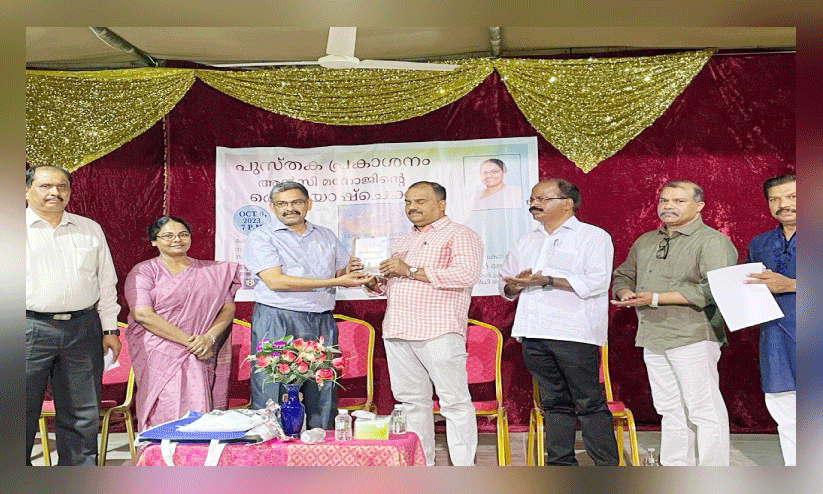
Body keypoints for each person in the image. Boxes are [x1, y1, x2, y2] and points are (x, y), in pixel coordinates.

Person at [612, 180, 738, 466]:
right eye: (664, 200)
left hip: (692, 335)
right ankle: (676, 467)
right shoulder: (646, 240)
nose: (668, 206)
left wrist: (655, 298)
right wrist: (625, 292)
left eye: (679, 201)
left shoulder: (712, 241)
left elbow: (714, 289)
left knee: (703, 409)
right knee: (669, 408)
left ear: (699, 206)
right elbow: (623, 274)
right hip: (652, 335)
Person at [499, 179, 619, 466]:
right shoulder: (526, 241)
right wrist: (516, 285)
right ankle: (560, 466)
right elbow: (505, 285)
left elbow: (597, 280)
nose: (534, 204)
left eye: (542, 198)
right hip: (533, 333)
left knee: (588, 402)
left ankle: (607, 468)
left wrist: (548, 280)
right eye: (531, 199)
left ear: (567, 203)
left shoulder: (593, 236)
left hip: (574, 332)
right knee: (553, 404)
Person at [364, 181, 483, 466]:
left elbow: (466, 274)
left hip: (438, 329)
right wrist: (373, 282)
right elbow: (392, 282)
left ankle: (464, 469)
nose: (412, 207)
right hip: (398, 329)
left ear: (441, 204)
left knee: (454, 402)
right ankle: (422, 466)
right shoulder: (404, 240)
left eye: (420, 201)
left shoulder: (460, 234)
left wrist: (410, 270)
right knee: (411, 403)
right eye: (408, 202)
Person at [243, 181, 372, 429]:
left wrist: (362, 271)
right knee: (272, 387)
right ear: (272, 207)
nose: (289, 208)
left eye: (296, 202)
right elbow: (276, 281)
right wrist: (336, 281)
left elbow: (342, 271)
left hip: (321, 318)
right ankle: (271, 446)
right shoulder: (261, 236)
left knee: (323, 388)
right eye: (282, 203)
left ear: (308, 204)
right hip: (277, 318)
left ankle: (322, 442)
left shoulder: (325, 235)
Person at [26, 165, 121, 465]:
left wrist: (110, 330)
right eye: (45, 186)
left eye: (62, 186)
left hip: (83, 329)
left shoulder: (89, 228)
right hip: (27, 328)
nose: (55, 192)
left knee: (82, 413)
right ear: (27, 190)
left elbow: (106, 282)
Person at [124, 216, 242, 431]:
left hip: (201, 349)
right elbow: (142, 314)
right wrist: (191, 342)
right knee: (165, 408)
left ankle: (196, 452)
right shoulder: (144, 271)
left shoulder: (211, 272)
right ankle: (161, 451)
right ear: (154, 241)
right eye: (168, 236)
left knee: (199, 410)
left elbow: (227, 309)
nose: (177, 239)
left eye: (183, 234)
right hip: (160, 350)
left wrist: (208, 338)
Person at [745, 174, 796, 466]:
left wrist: (792, 284)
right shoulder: (761, 243)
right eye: (774, 199)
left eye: (792, 197)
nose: (783, 204)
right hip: (775, 341)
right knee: (785, 414)